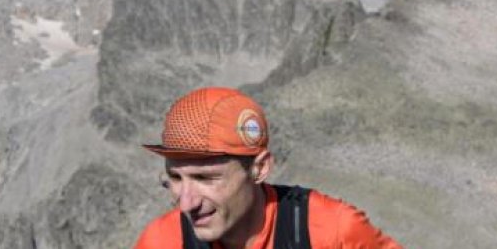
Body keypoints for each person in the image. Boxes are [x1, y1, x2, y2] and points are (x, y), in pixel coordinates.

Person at [134, 87, 402, 249]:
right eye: (175, 179)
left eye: (206, 178)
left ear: (260, 169)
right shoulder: (163, 240)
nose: (186, 204)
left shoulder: (333, 231)